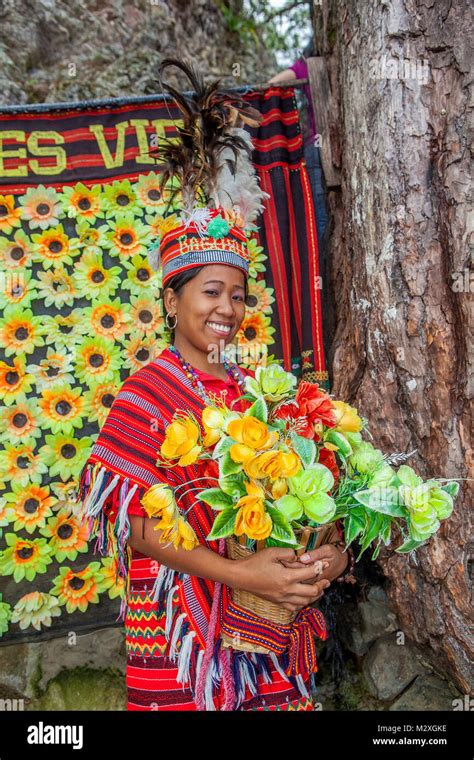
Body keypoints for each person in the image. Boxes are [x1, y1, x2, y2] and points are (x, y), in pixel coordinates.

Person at [76, 57, 349, 711]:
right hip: (182, 653)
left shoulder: (267, 390)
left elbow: (323, 504)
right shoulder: (148, 392)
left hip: (271, 635)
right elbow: (136, 527)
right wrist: (237, 572)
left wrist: (323, 565)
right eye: (209, 292)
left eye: (236, 294)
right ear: (172, 301)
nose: (226, 308)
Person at [268, 41, 329, 265]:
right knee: (321, 213)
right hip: (321, 146)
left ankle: (322, 263)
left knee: (320, 213)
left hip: (316, 145)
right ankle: (324, 263)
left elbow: (273, 82)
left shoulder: (304, 66)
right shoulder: (314, 65)